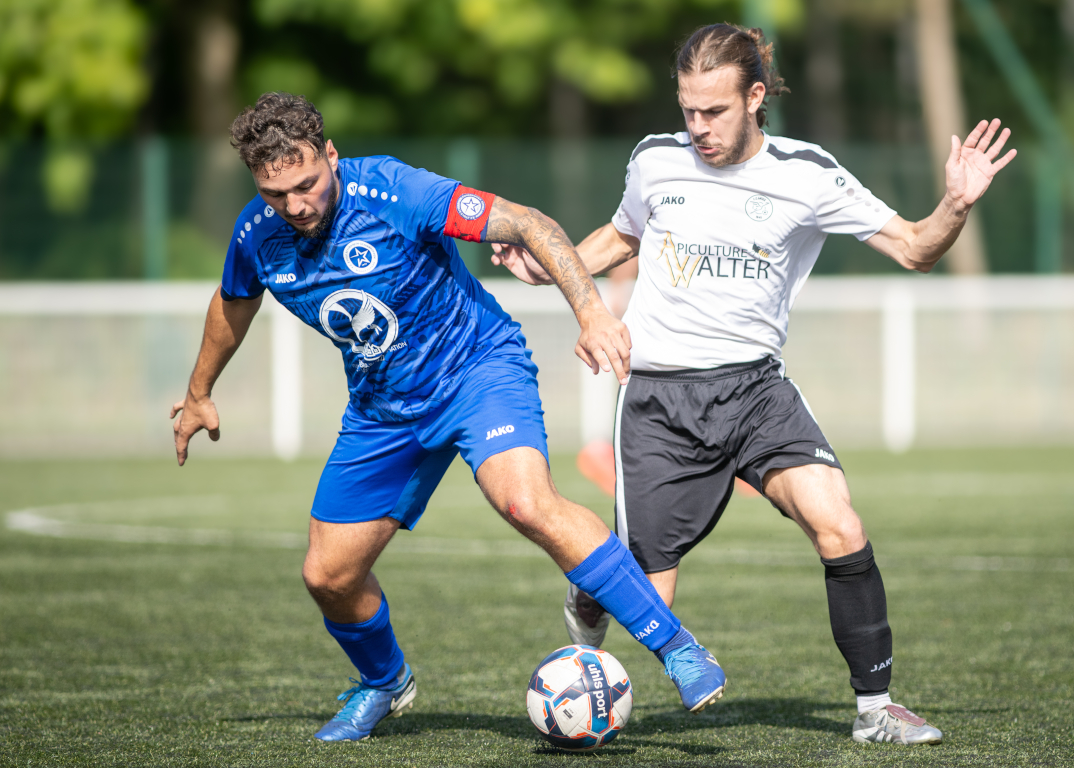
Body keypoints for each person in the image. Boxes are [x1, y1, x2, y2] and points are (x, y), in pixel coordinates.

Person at [491, 23, 1016, 745]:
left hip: (757, 394)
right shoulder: (655, 160)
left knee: (839, 523)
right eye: (688, 110)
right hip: (661, 403)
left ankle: (876, 709)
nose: (698, 127)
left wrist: (955, 202)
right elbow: (621, 237)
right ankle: (592, 595)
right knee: (647, 591)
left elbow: (915, 248)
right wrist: (549, 265)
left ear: (755, 96)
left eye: (714, 111)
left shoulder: (808, 174)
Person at [169, 92, 727, 743]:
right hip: (383, 409)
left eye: (306, 184)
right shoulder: (257, 235)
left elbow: (529, 224)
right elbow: (233, 302)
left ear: (331, 156)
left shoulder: (395, 191)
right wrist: (200, 390)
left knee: (525, 502)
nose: (294, 205)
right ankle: (384, 683)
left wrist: (593, 313)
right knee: (328, 575)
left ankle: (679, 648)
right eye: (275, 193)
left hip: (476, 370)